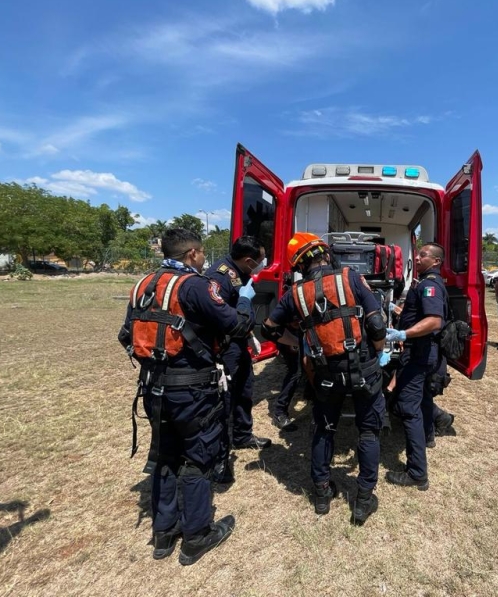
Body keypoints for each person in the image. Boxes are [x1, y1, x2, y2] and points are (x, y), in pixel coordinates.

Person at [118, 228, 254, 565]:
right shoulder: (194, 285)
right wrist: (248, 301)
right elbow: (234, 325)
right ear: (192, 253)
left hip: (152, 388)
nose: (204, 258)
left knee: (166, 456)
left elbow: (126, 336)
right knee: (198, 458)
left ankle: (163, 533)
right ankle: (197, 535)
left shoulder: (143, 285)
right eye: (202, 253)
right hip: (192, 391)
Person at [262, 232, 389, 525]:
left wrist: (297, 341)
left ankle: (321, 495)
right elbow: (377, 323)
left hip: (325, 374)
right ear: (324, 253)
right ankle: (363, 500)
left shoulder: (293, 293)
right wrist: (378, 354)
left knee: (324, 429)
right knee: (368, 431)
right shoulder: (350, 277)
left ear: (299, 265)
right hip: (364, 370)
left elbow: (267, 329)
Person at [205, 237, 272, 484]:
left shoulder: (240, 273)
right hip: (226, 345)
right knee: (225, 399)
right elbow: (218, 315)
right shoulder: (220, 276)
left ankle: (243, 435)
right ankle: (219, 457)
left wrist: (250, 334)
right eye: (261, 260)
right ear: (249, 260)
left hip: (239, 341)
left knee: (245, 389)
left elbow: (237, 309)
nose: (263, 264)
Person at [384, 243, 448, 490]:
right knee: (422, 399)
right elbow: (418, 314)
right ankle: (430, 435)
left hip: (419, 353)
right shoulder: (425, 283)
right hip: (423, 352)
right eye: (418, 254)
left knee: (408, 408)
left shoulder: (430, 285)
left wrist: (402, 334)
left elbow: (433, 321)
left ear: (436, 261)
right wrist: (397, 311)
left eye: (423, 255)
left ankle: (417, 472)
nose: (418, 257)